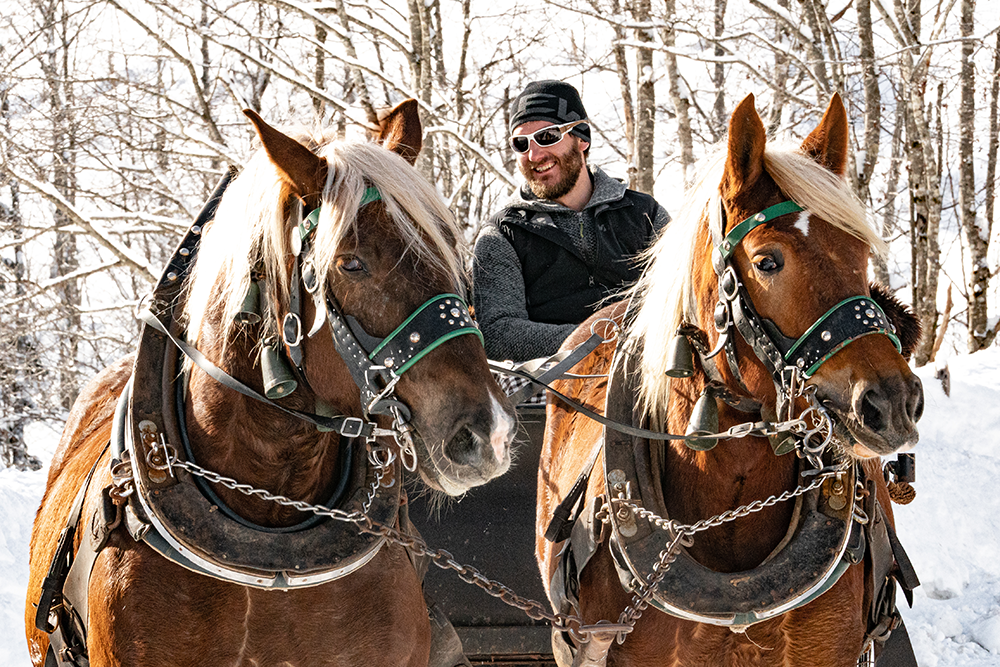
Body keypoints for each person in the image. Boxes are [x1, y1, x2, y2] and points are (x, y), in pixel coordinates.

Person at [473, 80, 671, 362]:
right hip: (549, 386)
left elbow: (682, 297)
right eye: (521, 143)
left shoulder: (645, 214)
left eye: (547, 136)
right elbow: (499, 335)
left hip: (648, 371)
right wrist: (597, 338)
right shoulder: (502, 234)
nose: (534, 155)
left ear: (581, 139)